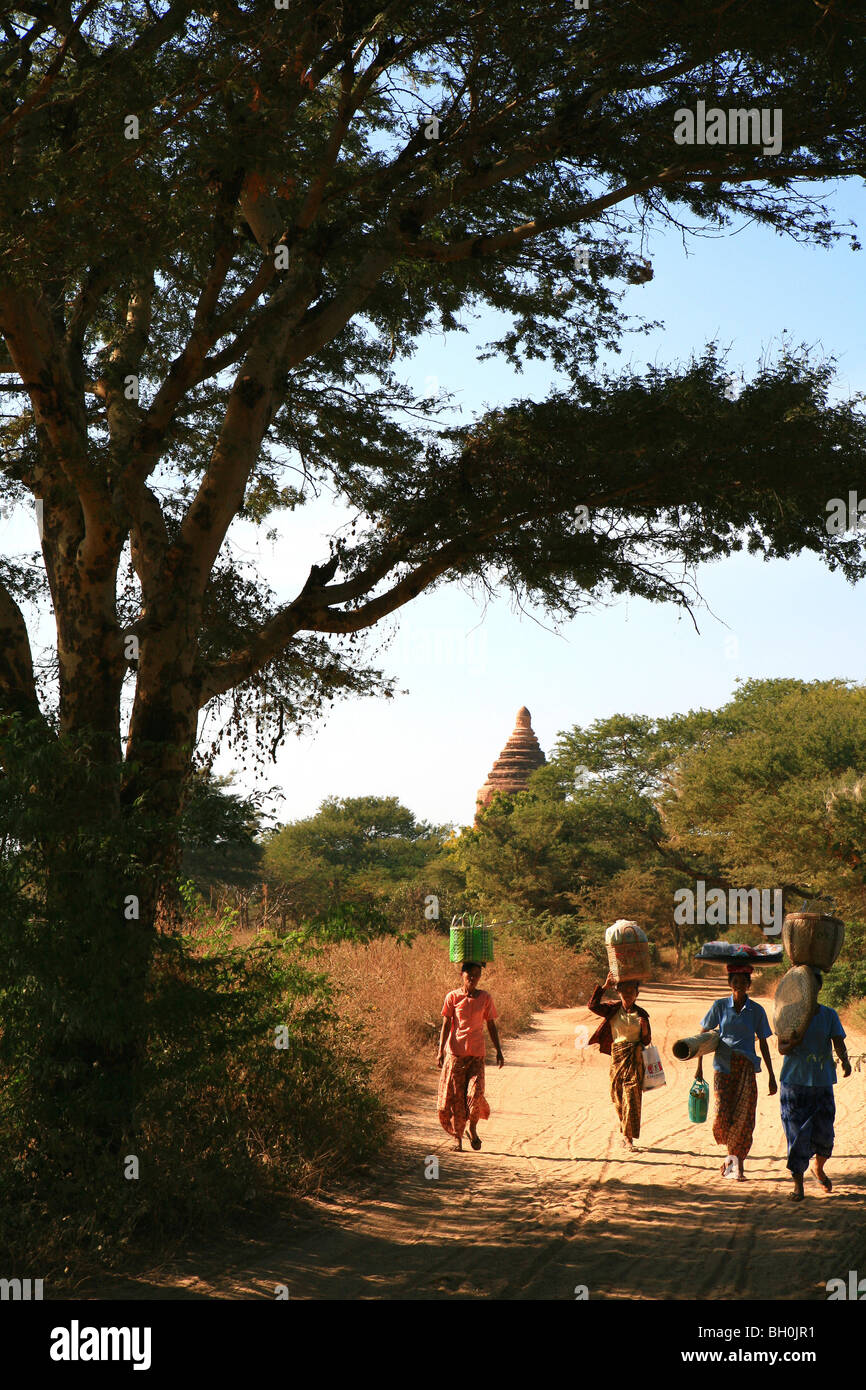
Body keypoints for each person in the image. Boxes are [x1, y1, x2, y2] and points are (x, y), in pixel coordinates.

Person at [697, 965, 776, 1181]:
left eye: (743, 981)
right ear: (729, 983)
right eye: (735, 980)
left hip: (747, 1069)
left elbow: (764, 1044)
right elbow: (702, 1038)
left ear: (748, 984)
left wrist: (770, 1075)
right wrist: (698, 1067)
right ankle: (730, 1159)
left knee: (744, 1118)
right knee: (723, 1114)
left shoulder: (757, 1010)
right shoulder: (720, 1006)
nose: (738, 984)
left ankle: (737, 1165)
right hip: (723, 1068)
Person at [778, 971, 851, 1201]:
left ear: (818, 989)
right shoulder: (789, 1014)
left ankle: (818, 1168)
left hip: (821, 1082)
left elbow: (838, 1041)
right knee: (796, 1134)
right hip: (794, 1083)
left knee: (825, 1134)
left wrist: (846, 1061)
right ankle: (798, 1185)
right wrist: (795, 1042)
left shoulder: (829, 1015)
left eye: (813, 986)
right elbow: (782, 1048)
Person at [437, 961, 504, 1151]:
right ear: (462, 975)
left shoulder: (485, 998)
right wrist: (440, 1051)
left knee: (475, 1094)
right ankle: (457, 1138)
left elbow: (491, 1024)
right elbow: (446, 1024)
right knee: (457, 1098)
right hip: (456, 1055)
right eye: (469, 975)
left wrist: (499, 1050)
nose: (473, 979)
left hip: (476, 1055)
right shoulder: (452, 997)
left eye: (477, 975)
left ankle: (472, 1129)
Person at [587, 970, 651, 1150]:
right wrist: (605, 986)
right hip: (617, 1059)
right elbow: (592, 1006)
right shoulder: (612, 1009)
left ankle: (628, 1138)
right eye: (625, 991)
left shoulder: (642, 1015)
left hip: (635, 1061)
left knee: (631, 1098)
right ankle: (625, 1130)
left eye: (632, 992)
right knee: (618, 1098)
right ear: (619, 992)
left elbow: (646, 1041)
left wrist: (644, 1031)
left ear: (637, 994)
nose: (628, 995)